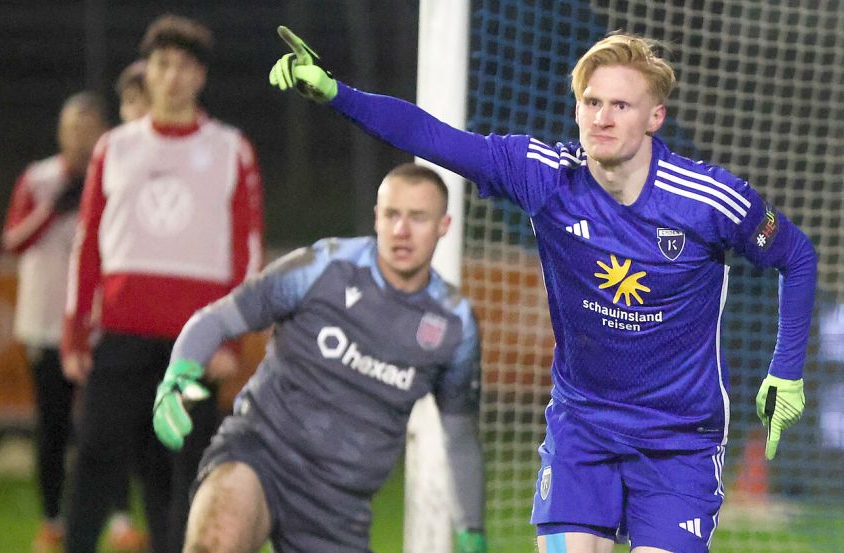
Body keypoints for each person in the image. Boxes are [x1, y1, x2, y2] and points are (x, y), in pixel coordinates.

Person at [268, 28, 817, 553]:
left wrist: (787, 369)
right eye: (591, 102)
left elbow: (796, 254)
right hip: (582, 431)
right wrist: (337, 93)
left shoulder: (707, 200)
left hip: (677, 441)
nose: (601, 118)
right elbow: (431, 137)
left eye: (620, 106)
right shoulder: (544, 177)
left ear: (655, 117)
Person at [152, 163, 487, 553]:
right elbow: (218, 320)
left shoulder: (454, 324)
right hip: (261, 453)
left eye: (418, 217)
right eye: (392, 215)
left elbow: (459, 433)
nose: (401, 230)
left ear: (443, 225)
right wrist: (176, 375)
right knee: (215, 540)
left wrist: (471, 528)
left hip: (339, 508)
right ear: (376, 217)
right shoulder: (322, 267)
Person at [61, 15, 263, 553]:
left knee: (185, 475)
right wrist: (75, 332)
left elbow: (247, 252)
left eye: (183, 66)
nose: (171, 76)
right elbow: (87, 246)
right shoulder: (115, 148)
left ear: (200, 77)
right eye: (161, 64)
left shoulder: (230, 149)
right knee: (96, 462)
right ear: (147, 73)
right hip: (122, 337)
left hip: (196, 345)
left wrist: (230, 339)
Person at [1, 91, 128, 552]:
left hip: (99, 325)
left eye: (90, 127)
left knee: (108, 427)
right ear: (60, 132)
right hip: (43, 322)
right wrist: (52, 208)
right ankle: (52, 521)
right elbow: (11, 241)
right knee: (52, 427)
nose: (81, 136)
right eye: (73, 127)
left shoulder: (119, 175)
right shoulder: (38, 180)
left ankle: (120, 520)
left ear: (104, 132)